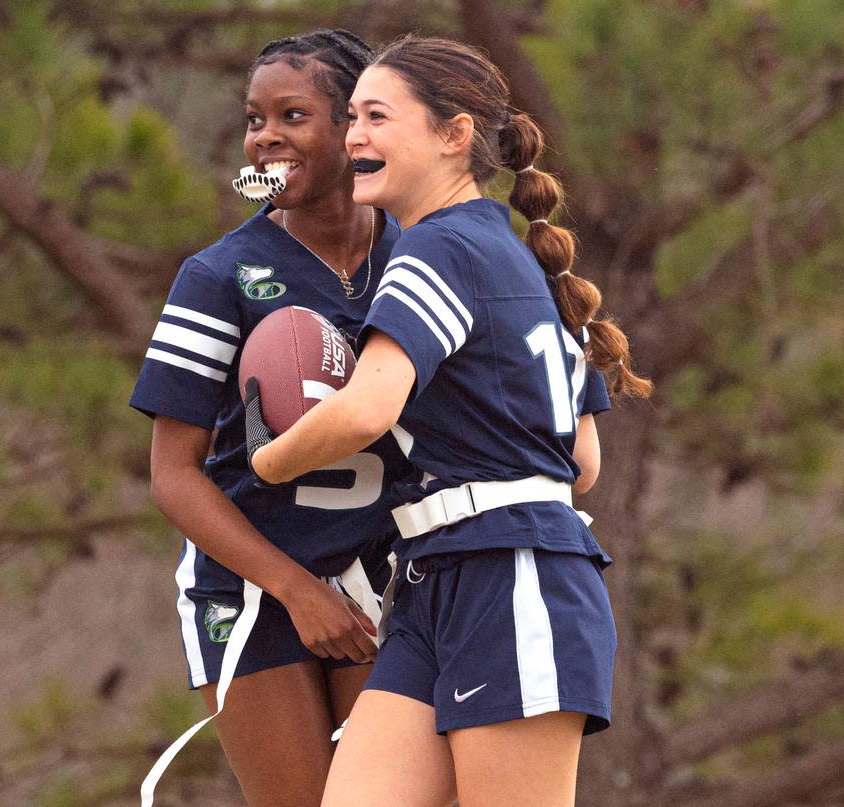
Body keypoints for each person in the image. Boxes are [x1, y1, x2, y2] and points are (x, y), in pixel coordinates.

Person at [249, 35, 653, 807]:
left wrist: (266, 461)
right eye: (351, 118)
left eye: (376, 116)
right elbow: (583, 458)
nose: (354, 135)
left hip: (513, 575)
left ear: (454, 134)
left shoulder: (436, 249)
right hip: (440, 578)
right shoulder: (520, 260)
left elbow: (368, 407)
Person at [129, 29, 418, 807]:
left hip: (382, 584)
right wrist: (296, 589)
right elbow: (172, 474)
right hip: (252, 591)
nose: (265, 137)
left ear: (353, 128)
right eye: (254, 119)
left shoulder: (422, 258)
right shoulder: (219, 275)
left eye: (292, 115)